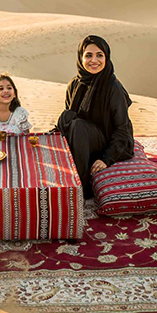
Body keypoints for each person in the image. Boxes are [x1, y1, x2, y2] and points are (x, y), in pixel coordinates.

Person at [57, 35, 134, 199]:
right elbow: (69, 118)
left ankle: (82, 187)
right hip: (81, 139)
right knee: (67, 117)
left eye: (99, 55)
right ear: (81, 58)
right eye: (88, 55)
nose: (94, 60)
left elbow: (122, 129)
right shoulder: (75, 84)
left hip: (106, 139)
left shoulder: (113, 87)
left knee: (78, 126)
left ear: (106, 57)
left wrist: (107, 158)